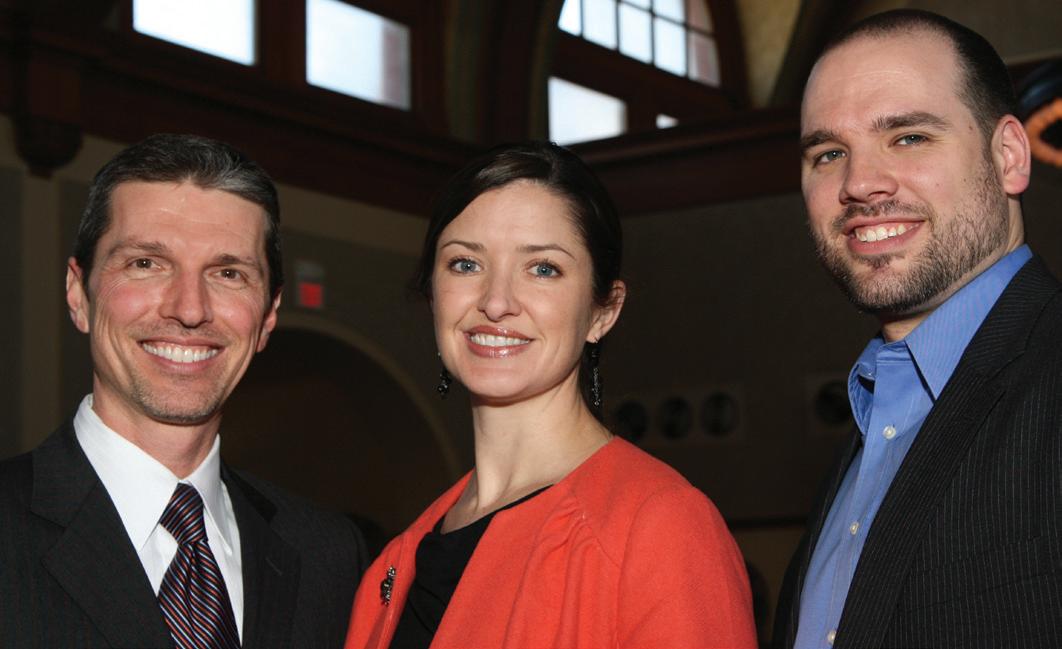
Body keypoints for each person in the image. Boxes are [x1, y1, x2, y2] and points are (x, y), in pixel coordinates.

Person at [344, 142, 757, 649]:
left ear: (603, 311)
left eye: (542, 268)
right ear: (433, 294)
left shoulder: (660, 527)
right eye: (465, 264)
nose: (496, 302)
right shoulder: (394, 564)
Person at [0, 133, 366, 648]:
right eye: (146, 264)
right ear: (78, 294)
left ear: (268, 316)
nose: (189, 309)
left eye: (228, 273)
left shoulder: (327, 556)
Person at [774, 10, 1062, 649]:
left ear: (1009, 156)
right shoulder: (873, 419)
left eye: (908, 137)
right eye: (829, 153)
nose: (859, 184)